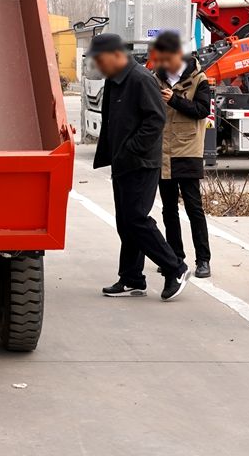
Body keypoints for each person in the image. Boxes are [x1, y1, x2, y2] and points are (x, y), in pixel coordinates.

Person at [89, 33, 191, 301]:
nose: (98, 65)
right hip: (123, 163)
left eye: (100, 60)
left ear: (116, 55)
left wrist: (131, 148)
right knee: (126, 222)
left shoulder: (140, 79)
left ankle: (176, 268)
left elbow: (155, 120)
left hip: (141, 163)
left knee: (136, 219)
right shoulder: (115, 81)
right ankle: (132, 279)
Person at [150, 30, 212, 278]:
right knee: (168, 209)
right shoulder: (156, 79)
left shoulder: (199, 79)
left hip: (188, 150)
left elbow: (202, 110)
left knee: (194, 208)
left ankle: (203, 260)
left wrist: (174, 100)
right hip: (163, 151)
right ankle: (175, 257)